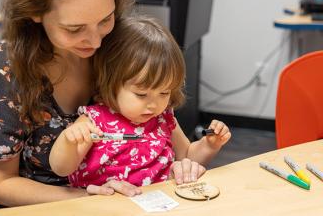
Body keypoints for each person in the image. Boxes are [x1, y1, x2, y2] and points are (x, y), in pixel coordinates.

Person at [0, 0, 140, 208]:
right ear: (34, 11)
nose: (95, 41)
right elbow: (0, 184)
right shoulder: (3, 73)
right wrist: (86, 198)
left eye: (105, 20)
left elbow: (161, 124)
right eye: (74, 28)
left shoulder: (118, 46)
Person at [49, 16, 231, 189]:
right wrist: (69, 140)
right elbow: (62, 169)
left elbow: (187, 156)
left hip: (159, 203)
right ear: (110, 84)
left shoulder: (163, 118)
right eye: (141, 94)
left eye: (164, 92)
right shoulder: (94, 120)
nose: (154, 104)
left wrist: (209, 145)